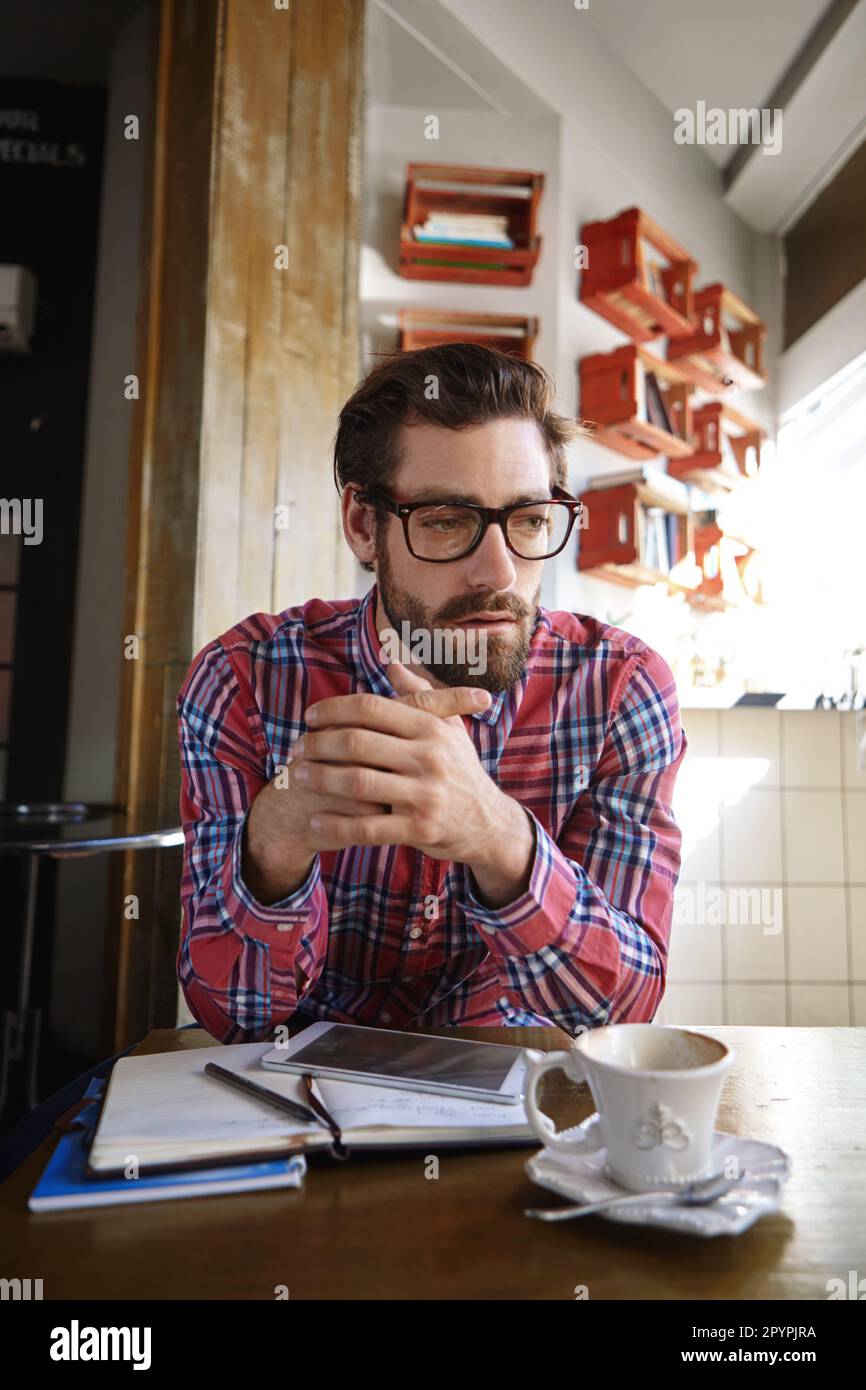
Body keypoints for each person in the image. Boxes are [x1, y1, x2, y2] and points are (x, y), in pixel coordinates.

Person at [177, 344, 686, 1042]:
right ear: (364, 525)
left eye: (531, 520)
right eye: (448, 520)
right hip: (296, 1107)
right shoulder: (243, 679)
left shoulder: (621, 689)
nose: (499, 572)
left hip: (519, 1102)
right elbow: (231, 1016)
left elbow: (621, 1013)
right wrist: (273, 844)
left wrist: (499, 838)